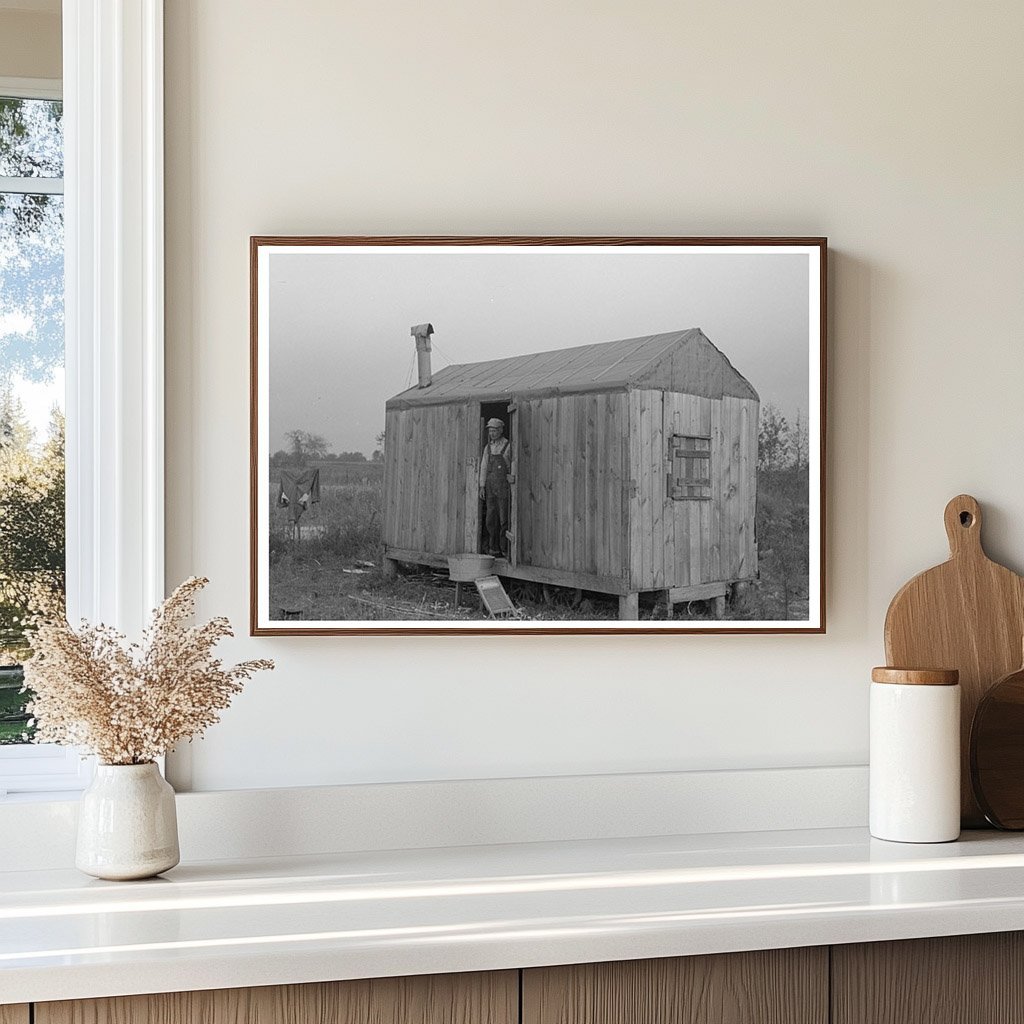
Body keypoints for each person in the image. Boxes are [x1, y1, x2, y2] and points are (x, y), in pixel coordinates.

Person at [479, 417, 511, 558]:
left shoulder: (508, 446)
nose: (492, 433)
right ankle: (493, 548)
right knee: (491, 519)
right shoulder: (488, 448)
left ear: (501, 430)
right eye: (490, 431)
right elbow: (483, 467)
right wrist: (482, 486)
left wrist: (511, 483)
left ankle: (505, 548)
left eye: (495, 430)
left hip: (504, 488)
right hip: (490, 488)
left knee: (504, 518)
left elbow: (511, 467)